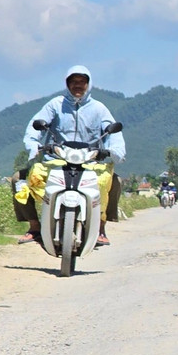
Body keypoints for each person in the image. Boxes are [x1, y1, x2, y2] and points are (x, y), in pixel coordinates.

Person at [15, 65, 126, 246]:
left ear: (88, 84)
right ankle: (35, 227)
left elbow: (113, 133)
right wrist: (35, 145)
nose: (78, 86)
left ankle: (101, 228)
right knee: (17, 180)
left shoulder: (99, 109)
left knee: (115, 181)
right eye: (73, 81)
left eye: (82, 82)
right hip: (56, 160)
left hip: (89, 161)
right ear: (67, 84)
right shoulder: (55, 105)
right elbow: (33, 127)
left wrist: (113, 151)